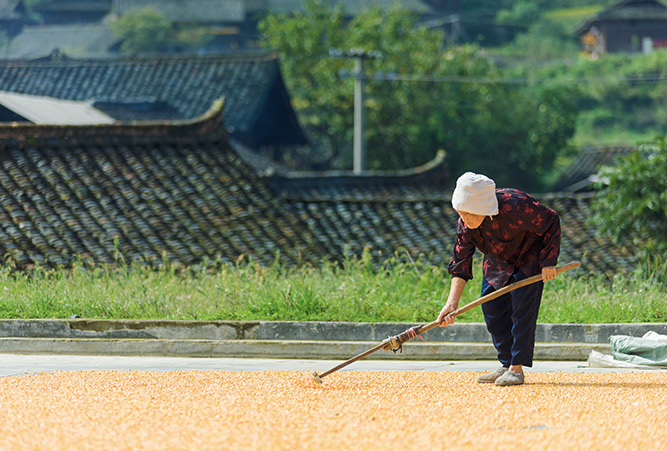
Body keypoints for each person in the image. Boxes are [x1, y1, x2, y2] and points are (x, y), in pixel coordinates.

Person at [437, 172, 561, 386]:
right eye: (460, 213)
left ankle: (516, 369)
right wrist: (451, 303)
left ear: (484, 209)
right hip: (498, 259)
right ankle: (505, 363)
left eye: (468, 213)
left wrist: (549, 261)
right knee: (491, 308)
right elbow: (461, 262)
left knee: (521, 308)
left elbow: (551, 220)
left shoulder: (516, 205)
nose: (464, 219)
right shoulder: (465, 226)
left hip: (528, 255)